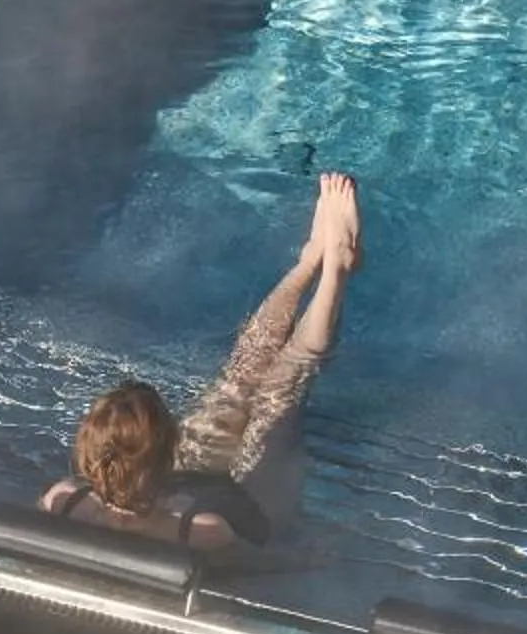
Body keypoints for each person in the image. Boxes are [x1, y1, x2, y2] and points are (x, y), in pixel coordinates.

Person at [41, 172, 361, 550]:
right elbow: (256, 567)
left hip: (177, 489)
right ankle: (331, 268)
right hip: (246, 507)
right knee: (278, 383)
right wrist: (315, 557)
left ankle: (314, 264)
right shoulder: (204, 531)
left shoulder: (62, 502)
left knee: (251, 375)